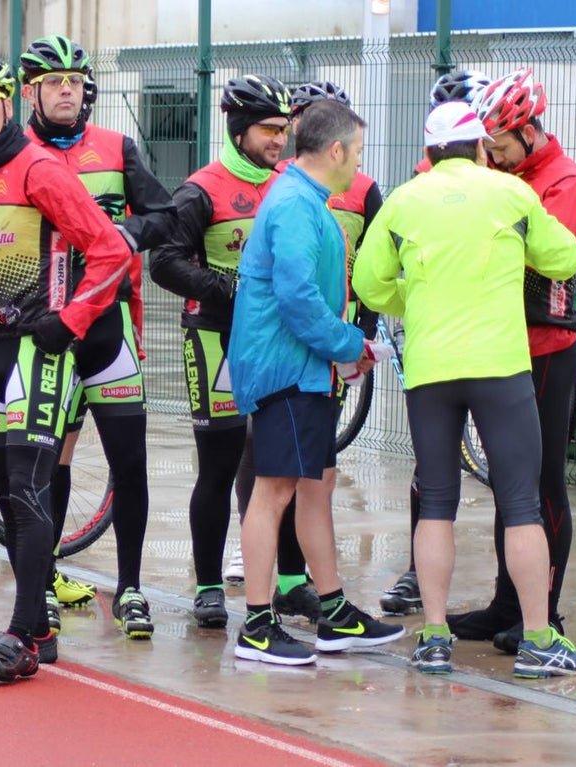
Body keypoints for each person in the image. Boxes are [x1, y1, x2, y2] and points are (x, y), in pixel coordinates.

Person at [353, 100, 576, 678]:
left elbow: (368, 281)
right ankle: (539, 639)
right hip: (502, 365)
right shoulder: (509, 194)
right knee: (521, 504)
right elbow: (565, 257)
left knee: (435, 502)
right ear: (481, 148)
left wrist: (415, 303)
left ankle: (434, 638)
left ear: (431, 154)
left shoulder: (406, 200)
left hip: (432, 367)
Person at [0, 51, 132, 682]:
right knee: (3, 492)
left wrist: (69, 322)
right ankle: (31, 627)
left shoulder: (39, 168)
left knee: (27, 489)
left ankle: (26, 638)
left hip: (39, 350)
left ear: (6, 102)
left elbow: (109, 252)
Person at [227, 99, 405, 665]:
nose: (359, 165)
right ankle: (257, 625)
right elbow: (298, 298)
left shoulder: (304, 200)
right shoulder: (297, 206)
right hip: (286, 369)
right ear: (336, 150)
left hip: (303, 368)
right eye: (356, 152)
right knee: (273, 489)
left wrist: (342, 353)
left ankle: (333, 612)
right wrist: (350, 346)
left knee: (317, 483)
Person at [19, 34, 177, 637]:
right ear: (30, 92)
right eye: (53, 82)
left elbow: (167, 215)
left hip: (109, 328)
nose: (67, 90)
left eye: (75, 81)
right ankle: (46, 578)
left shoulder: (116, 148)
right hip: (46, 332)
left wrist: (121, 234)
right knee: (46, 466)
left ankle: (131, 587)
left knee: (128, 463)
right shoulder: (12, 155)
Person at [445, 69, 576, 654]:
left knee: (543, 483)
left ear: (529, 131)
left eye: (501, 143)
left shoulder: (564, 182)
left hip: (546, 352)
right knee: (510, 484)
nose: (493, 153)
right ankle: (507, 603)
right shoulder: (499, 176)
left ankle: (544, 613)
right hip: (499, 347)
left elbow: (551, 260)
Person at [150, 74, 291, 630]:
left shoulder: (289, 182)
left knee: (281, 466)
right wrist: (226, 288)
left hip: (279, 340)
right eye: (268, 130)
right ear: (238, 130)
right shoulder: (201, 188)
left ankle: (285, 581)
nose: (278, 140)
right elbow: (163, 261)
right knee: (220, 465)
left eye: (284, 130)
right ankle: (209, 584)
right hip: (216, 337)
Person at [379, 68, 494, 617]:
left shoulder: (505, 178)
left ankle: (510, 591)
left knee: (516, 482)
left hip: (495, 338)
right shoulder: (420, 180)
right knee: (430, 470)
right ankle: (415, 573)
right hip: (443, 338)